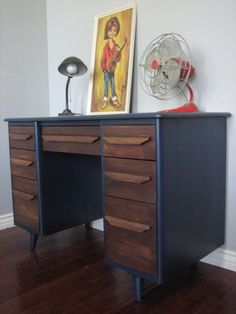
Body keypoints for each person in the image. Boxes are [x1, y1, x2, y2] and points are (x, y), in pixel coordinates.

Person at [101, 16, 122, 109]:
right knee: (106, 85)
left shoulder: (116, 46)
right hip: (106, 69)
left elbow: (117, 59)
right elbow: (103, 58)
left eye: (114, 30)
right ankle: (105, 101)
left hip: (112, 69)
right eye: (110, 30)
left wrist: (117, 57)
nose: (112, 32)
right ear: (107, 31)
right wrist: (104, 68)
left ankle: (114, 100)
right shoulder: (105, 47)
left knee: (113, 84)